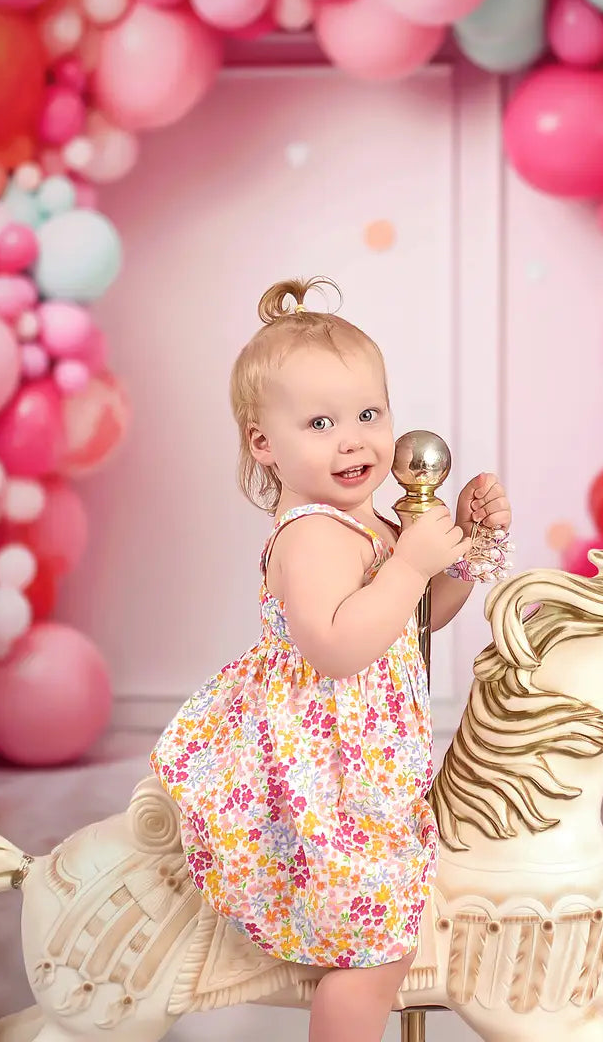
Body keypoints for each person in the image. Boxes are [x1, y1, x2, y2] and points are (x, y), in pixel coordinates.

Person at [150, 275, 512, 1042]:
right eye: (320, 423)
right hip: (321, 776)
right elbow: (339, 646)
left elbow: (410, 626)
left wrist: (468, 552)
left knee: (394, 915)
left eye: (368, 414)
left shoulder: (373, 524)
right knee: (373, 953)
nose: (354, 439)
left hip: (370, 766)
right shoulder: (311, 533)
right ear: (264, 445)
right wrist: (412, 564)